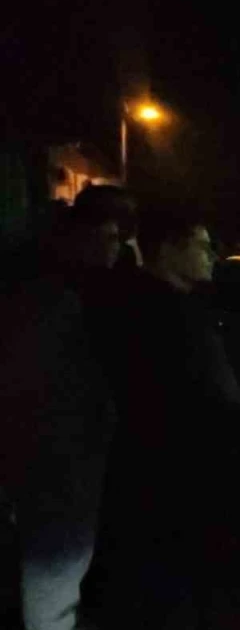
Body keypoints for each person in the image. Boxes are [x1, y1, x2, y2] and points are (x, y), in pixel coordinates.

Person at [91, 205, 240, 629]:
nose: (212, 255)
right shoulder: (163, 313)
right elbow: (210, 398)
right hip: (176, 482)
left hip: (157, 479)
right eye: (202, 246)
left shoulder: (145, 302)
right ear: (166, 250)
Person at [2, 201, 122, 630]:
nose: (114, 248)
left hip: (67, 466)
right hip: (56, 467)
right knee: (53, 577)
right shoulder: (52, 301)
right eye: (106, 238)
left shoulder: (74, 297)